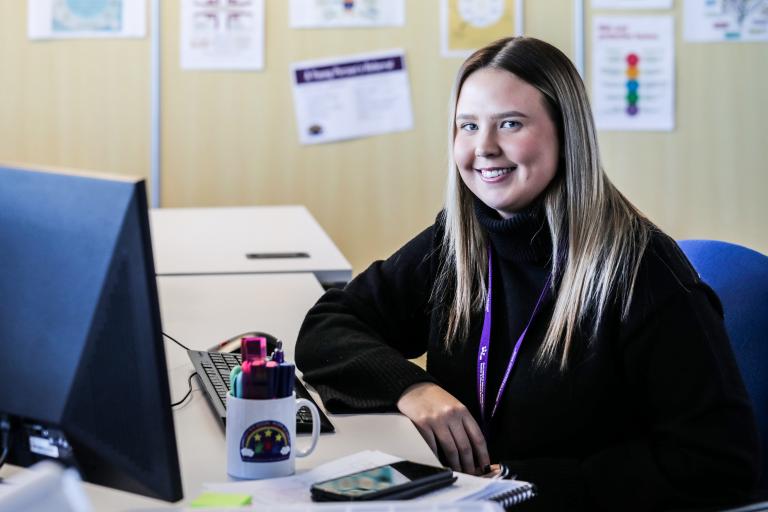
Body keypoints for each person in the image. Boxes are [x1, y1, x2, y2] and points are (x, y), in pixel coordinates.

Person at [295, 37, 759, 511]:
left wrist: (526, 483)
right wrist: (412, 388)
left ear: (566, 133)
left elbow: (720, 462)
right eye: (468, 126)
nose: (484, 147)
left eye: (510, 124)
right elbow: (328, 326)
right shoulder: (461, 239)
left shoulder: (641, 274)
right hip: (471, 498)